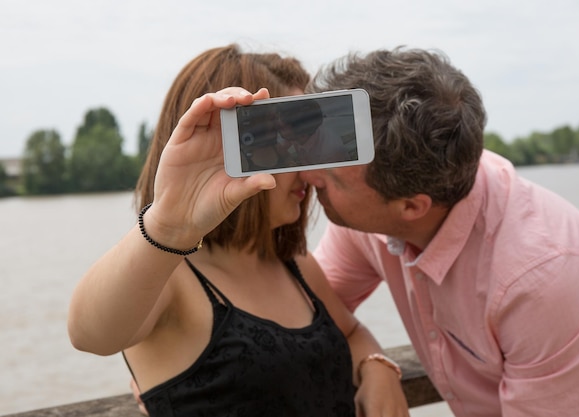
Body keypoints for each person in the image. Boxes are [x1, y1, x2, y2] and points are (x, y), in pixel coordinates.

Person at [67, 44, 409, 417]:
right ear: (230, 149)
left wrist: (377, 368)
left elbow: (352, 332)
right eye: (290, 147)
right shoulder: (168, 276)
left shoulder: (293, 263)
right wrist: (169, 222)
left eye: (310, 144)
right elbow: (91, 335)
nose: (311, 172)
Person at [298, 47, 579, 416]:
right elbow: (306, 313)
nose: (309, 177)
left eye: (331, 176)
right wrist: (374, 361)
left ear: (411, 207)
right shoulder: (384, 196)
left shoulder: (541, 278)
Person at [277, 99, 351, 165]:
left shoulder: (330, 153)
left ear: (302, 133)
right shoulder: (296, 134)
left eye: (282, 128)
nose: (277, 128)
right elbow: (286, 143)